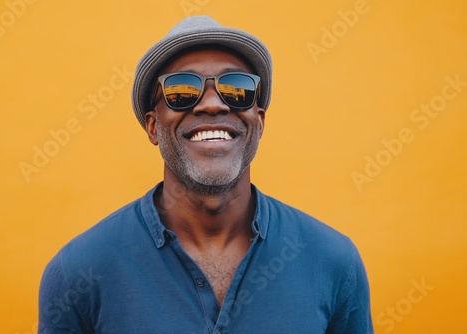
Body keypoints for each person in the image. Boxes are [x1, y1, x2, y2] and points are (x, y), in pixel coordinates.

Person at [38, 16, 374, 334]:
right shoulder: (78, 272)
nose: (212, 105)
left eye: (236, 88)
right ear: (153, 125)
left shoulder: (334, 263)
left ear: (259, 121)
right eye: (182, 90)